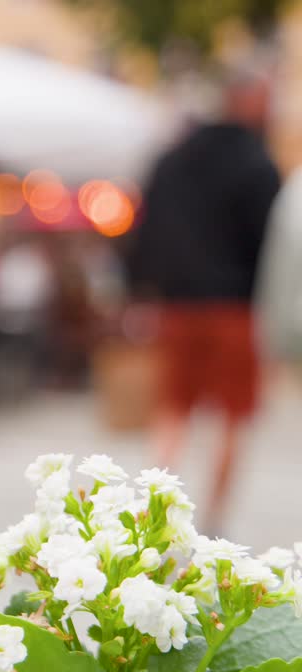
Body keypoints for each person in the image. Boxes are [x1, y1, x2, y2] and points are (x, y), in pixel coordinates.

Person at [127, 60, 282, 534]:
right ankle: (213, 520)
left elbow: (145, 230)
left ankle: (155, 515)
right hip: (236, 309)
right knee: (233, 417)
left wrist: (142, 290)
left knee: (172, 409)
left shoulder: (173, 158)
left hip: (178, 305)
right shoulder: (259, 165)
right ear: (250, 102)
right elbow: (271, 246)